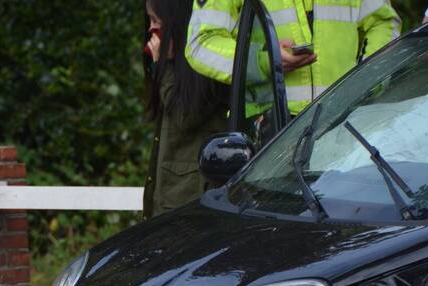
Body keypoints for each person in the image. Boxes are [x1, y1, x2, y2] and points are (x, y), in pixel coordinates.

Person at [185, 0, 400, 117]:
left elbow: (383, 22)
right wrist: (264, 60)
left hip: (345, 121)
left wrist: (368, 82)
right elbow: (201, 44)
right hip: (272, 133)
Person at [143, 0, 230, 219]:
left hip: (188, 208)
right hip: (171, 204)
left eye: (155, 20)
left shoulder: (205, 71)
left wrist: (163, 67)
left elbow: (184, 117)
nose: (151, 29)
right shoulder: (177, 72)